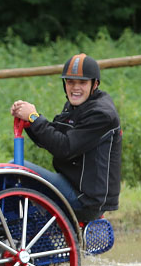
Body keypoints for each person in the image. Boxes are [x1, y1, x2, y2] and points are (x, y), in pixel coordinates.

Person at [10, 53, 122, 223]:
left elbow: (64, 148)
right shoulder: (76, 105)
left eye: (82, 82)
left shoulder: (101, 114)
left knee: (14, 168)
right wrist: (29, 122)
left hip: (85, 199)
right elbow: (52, 137)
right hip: (71, 184)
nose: (75, 87)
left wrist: (34, 118)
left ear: (95, 84)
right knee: (13, 172)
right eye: (70, 81)